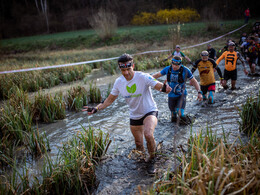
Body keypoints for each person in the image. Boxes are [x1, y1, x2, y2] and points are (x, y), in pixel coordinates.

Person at [82, 53, 172, 173]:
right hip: (135, 115)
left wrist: (165, 88)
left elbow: (159, 86)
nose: (126, 73)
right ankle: (141, 165)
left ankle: (152, 159)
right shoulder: (119, 82)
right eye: (123, 70)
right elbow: (110, 100)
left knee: (148, 134)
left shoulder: (143, 77)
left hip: (149, 111)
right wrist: (96, 108)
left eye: (128, 69)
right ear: (120, 68)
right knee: (139, 144)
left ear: (133, 66)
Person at [153, 56, 203, 124]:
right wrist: (146, 78)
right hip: (171, 95)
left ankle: (189, 124)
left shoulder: (185, 70)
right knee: (173, 116)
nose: (174, 66)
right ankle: (175, 131)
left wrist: (199, 92)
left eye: (176, 65)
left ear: (180, 64)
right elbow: (157, 75)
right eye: (173, 64)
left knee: (180, 113)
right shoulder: (168, 69)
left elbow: (194, 81)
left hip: (181, 95)